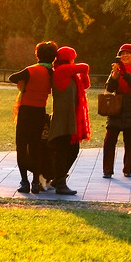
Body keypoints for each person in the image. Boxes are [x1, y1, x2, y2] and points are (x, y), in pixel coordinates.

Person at [8, 41, 58, 194]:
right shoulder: (52, 73)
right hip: (39, 113)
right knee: (35, 148)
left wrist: (25, 83)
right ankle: (36, 182)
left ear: (37, 55)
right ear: (53, 58)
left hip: (26, 112)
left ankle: (24, 181)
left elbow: (12, 77)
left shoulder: (31, 70)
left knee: (22, 147)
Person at [47, 46, 91, 195]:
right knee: (64, 151)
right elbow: (85, 67)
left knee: (72, 150)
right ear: (69, 59)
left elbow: (86, 84)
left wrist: (83, 75)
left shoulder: (72, 75)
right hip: (62, 118)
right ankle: (60, 182)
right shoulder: (61, 71)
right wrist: (81, 70)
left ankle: (59, 179)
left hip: (70, 117)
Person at [102, 43, 131, 178]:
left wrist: (124, 73)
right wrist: (114, 77)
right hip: (116, 108)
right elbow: (109, 89)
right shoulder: (115, 71)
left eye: (128, 53)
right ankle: (107, 170)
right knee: (109, 140)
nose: (125, 55)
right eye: (122, 53)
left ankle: (128, 169)